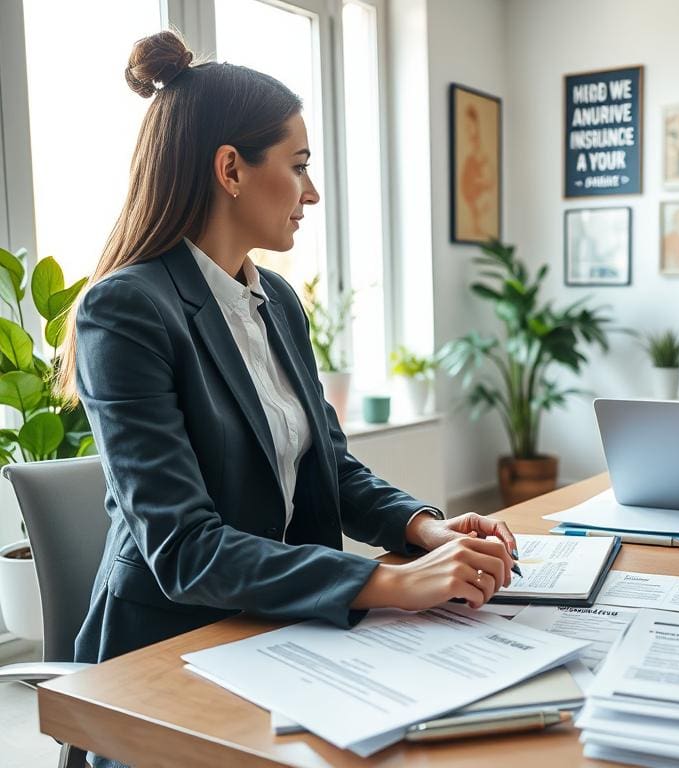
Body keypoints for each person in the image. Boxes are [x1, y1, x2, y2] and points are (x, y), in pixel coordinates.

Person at [58, 31, 519, 682]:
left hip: (277, 625)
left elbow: (327, 465)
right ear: (231, 170)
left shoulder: (275, 297)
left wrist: (422, 530)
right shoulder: (126, 310)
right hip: (165, 651)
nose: (312, 194)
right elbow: (185, 549)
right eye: (298, 165)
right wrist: (392, 585)